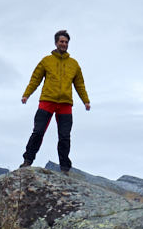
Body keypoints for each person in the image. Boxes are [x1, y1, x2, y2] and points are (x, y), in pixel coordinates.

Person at [19, 29, 91, 173]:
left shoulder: (74, 64)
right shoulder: (46, 61)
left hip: (65, 104)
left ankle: (64, 168)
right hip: (47, 101)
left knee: (64, 137)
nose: (63, 44)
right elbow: (35, 79)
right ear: (56, 43)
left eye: (66, 42)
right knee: (38, 132)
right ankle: (27, 161)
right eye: (61, 41)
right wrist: (27, 94)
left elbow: (80, 84)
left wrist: (86, 101)